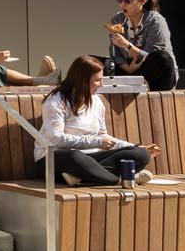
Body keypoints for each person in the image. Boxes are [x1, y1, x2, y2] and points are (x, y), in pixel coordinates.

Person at [34, 55, 158, 187]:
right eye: (97, 80)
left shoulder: (97, 101)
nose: (102, 84)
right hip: (55, 159)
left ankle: (81, 176)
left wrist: (133, 146)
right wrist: (97, 142)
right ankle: (119, 179)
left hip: (90, 160)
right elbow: (55, 139)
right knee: (75, 156)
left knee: (141, 154)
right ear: (82, 80)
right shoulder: (56, 101)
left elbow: (103, 135)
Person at [104, 0, 179, 91]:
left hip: (157, 77)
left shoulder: (155, 21)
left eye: (128, 0)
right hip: (130, 72)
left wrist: (127, 45)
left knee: (162, 57)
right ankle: (131, 83)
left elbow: (151, 57)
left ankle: (131, 83)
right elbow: (116, 55)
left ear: (143, 0)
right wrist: (128, 69)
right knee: (91, 62)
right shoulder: (117, 20)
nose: (122, 4)